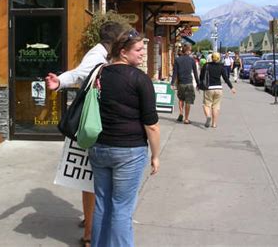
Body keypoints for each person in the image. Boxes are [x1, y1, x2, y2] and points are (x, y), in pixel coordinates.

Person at [45, 21, 124, 247]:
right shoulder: (97, 55)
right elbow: (79, 74)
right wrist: (59, 81)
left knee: (91, 178)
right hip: (92, 125)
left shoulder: (106, 56)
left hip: (98, 124)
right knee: (90, 179)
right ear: (114, 42)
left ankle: (91, 222)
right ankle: (90, 233)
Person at [88, 28, 160, 247]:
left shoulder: (99, 73)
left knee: (101, 204)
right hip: (129, 151)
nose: (142, 54)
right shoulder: (140, 79)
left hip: (99, 148)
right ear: (123, 51)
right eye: (138, 50)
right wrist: (156, 156)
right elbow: (152, 125)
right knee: (122, 208)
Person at [200, 52, 236, 128]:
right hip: (219, 88)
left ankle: (208, 116)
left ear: (211, 58)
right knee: (216, 107)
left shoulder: (206, 65)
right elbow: (225, 78)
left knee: (206, 105)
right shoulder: (221, 66)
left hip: (209, 88)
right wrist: (231, 87)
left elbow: (201, 76)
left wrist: (199, 85)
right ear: (219, 58)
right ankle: (214, 124)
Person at [170, 44, 200, 124]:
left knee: (181, 99)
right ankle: (186, 119)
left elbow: (175, 73)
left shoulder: (177, 60)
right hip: (189, 83)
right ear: (189, 50)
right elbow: (195, 73)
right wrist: (198, 84)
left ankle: (181, 113)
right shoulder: (192, 60)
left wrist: (172, 83)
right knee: (188, 101)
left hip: (181, 83)